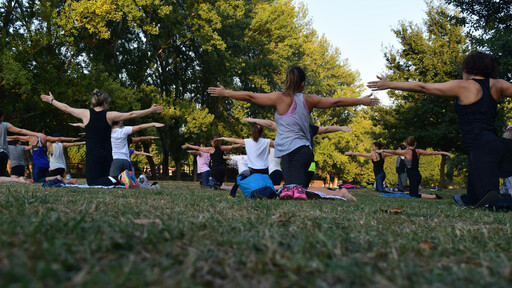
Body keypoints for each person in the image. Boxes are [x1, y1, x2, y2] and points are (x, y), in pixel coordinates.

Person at [209, 67, 378, 200]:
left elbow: (250, 97)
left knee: (295, 190)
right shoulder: (309, 99)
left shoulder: (279, 98)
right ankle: (335, 193)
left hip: (293, 153)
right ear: (302, 84)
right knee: (294, 190)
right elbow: (336, 102)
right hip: (305, 153)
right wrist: (361, 101)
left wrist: (226, 93)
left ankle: (340, 194)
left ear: (287, 81)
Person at [368, 51, 512, 206]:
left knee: (489, 202)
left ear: (469, 68)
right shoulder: (499, 84)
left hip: (481, 149)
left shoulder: (464, 86)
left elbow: (423, 87)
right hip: (496, 145)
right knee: (476, 199)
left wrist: (390, 84)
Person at [40, 89, 163, 186]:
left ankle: (121, 177)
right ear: (104, 103)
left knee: (93, 182)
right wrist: (150, 110)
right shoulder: (110, 115)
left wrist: (52, 100)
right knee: (105, 181)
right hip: (107, 155)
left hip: (93, 155)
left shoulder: (85, 114)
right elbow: (131, 114)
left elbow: (66, 108)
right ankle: (127, 179)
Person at [243, 117, 353, 187]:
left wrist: (340, 128)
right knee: (300, 184)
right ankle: (300, 189)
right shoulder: (301, 127)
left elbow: (326, 129)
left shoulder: (299, 127)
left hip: (303, 161)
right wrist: (340, 128)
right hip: (304, 161)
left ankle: (301, 189)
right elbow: (271, 124)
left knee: (301, 182)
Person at [377, 136, 452, 199]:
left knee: (413, 195)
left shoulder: (406, 152)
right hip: (416, 175)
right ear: (415, 143)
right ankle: (433, 196)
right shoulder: (418, 151)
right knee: (412, 193)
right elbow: (430, 153)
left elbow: (393, 151)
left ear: (406, 144)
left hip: (413, 176)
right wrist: (443, 152)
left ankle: (434, 196)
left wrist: (383, 150)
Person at [218, 125, 274, 196]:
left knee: (254, 184)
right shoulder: (267, 141)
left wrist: (223, 138)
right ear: (262, 133)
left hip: (253, 169)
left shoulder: (247, 141)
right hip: (264, 168)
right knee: (265, 184)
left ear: (252, 133)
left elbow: (234, 140)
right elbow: (279, 143)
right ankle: (268, 194)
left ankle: (253, 194)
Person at [0, 108, 44, 176]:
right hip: (3, 154)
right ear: (2, 117)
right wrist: (36, 134)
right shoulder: (5, 125)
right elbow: (20, 131)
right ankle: (19, 180)